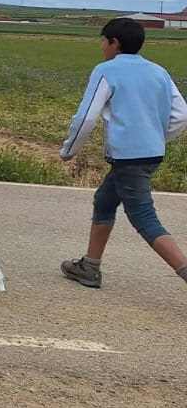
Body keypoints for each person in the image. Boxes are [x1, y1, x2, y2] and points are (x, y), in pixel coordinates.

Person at [58, 18, 187, 291]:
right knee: (104, 200)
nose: (102, 48)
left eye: (103, 42)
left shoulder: (107, 70)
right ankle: (90, 267)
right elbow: (182, 114)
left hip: (128, 157)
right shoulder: (158, 71)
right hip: (150, 155)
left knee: (144, 218)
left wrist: (69, 150)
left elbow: (86, 117)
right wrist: (156, 137)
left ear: (114, 43)